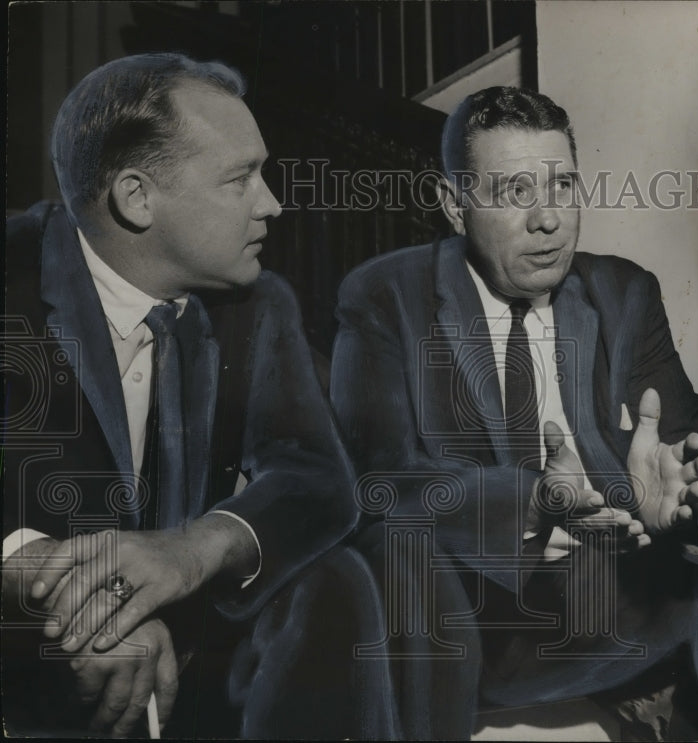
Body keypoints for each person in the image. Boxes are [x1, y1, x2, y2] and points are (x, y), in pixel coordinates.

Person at [330, 86, 698, 739]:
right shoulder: (387, 300)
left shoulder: (624, 291)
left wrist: (682, 503)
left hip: (619, 572)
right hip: (483, 596)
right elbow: (383, 479)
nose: (548, 219)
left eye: (562, 186)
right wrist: (530, 509)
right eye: (513, 193)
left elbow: (696, 445)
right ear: (455, 207)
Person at [1, 53, 389, 739]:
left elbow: (318, 477)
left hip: (195, 657)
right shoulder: (12, 273)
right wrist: (48, 583)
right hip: (27, 671)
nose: (272, 202)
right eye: (241, 178)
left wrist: (194, 548)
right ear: (137, 196)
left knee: (342, 578)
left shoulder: (258, 303)